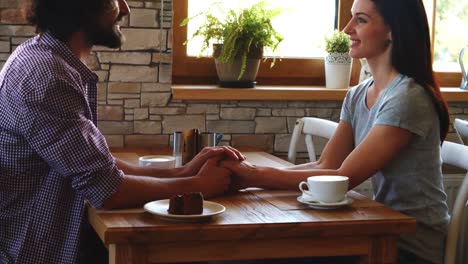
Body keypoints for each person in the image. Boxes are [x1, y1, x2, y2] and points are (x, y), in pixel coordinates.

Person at [0, 0, 244, 263]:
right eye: (116, 1)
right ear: (81, 7)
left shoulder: (43, 58)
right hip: (37, 252)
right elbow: (108, 191)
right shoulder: (48, 78)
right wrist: (198, 186)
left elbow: (93, 164)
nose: (126, 9)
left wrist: (180, 172)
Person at [221, 0, 450, 263]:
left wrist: (253, 176)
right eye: (351, 18)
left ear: (392, 30)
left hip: (410, 247)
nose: (346, 29)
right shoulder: (357, 94)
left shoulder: (408, 97)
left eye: (361, 20)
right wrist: (249, 176)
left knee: (250, 255)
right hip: (376, 230)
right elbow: (326, 163)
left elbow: (342, 178)